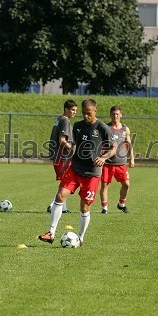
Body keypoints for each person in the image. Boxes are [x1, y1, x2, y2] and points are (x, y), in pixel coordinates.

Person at [38, 98, 117, 247]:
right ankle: (51, 233)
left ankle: (80, 238)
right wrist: (67, 162)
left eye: (89, 113)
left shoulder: (102, 128)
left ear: (95, 111)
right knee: (60, 195)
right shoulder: (77, 126)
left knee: (84, 207)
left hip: (92, 174)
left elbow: (114, 147)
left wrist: (103, 157)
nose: (85, 116)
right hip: (75, 168)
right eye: (83, 113)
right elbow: (74, 146)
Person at [100, 106, 135, 214]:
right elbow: (99, 143)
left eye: (117, 114)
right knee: (105, 185)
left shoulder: (125, 129)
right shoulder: (106, 127)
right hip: (108, 163)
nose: (115, 116)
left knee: (126, 184)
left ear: (121, 115)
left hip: (121, 163)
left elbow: (129, 144)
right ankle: (104, 208)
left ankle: (121, 204)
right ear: (110, 115)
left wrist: (132, 158)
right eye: (113, 114)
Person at [47, 99, 78, 214]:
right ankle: (52, 205)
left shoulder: (59, 119)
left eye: (76, 110)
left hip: (57, 156)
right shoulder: (65, 121)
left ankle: (63, 208)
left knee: (65, 181)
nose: (75, 112)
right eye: (73, 110)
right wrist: (73, 149)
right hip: (62, 156)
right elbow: (62, 140)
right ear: (66, 109)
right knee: (67, 182)